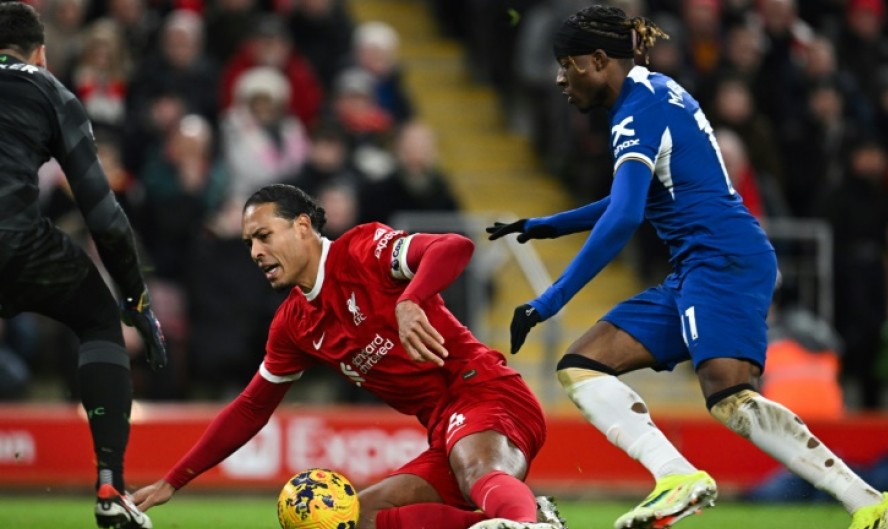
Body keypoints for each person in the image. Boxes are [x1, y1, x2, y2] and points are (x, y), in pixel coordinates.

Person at [486, 6, 888, 529]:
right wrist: (548, 225)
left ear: (597, 60)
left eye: (566, 64)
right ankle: (676, 476)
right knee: (582, 364)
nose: (559, 78)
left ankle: (866, 501)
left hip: (722, 258)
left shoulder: (635, 112)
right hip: (700, 263)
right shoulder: (656, 90)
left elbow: (626, 216)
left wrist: (549, 300)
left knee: (729, 394)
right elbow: (638, 196)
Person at [131, 184, 565, 529]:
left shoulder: (362, 248)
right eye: (249, 243)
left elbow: (453, 247)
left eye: (264, 236)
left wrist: (410, 300)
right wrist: (174, 480)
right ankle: (528, 519)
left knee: (477, 470)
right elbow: (250, 408)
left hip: (485, 390)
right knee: (356, 519)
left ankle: (521, 521)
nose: (255, 252)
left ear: (302, 227)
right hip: (443, 427)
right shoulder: (294, 324)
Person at [0, 3, 168, 529]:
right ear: (41, 53)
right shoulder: (50, 90)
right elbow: (104, 215)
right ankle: (110, 486)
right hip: (17, 242)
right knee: (98, 319)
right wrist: (136, 299)